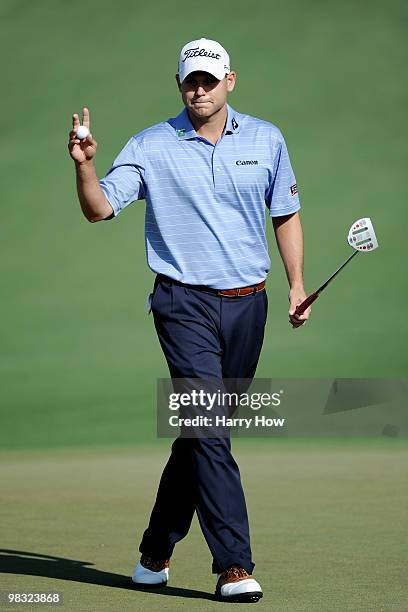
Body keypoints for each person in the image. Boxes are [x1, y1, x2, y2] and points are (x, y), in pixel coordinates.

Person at [68, 37, 310, 603]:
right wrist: (85, 169)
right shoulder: (151, 144)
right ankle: (233, 565)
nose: (198, 88)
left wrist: (297, 282)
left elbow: (287, 213)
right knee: (209, 428)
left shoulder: (266, 138)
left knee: (200, 434)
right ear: (181, 85)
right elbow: (101, 206)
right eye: (189, 80)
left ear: (230, 81)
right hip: (183, 304)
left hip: (251, 303)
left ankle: (155, 550)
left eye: (208, 79)